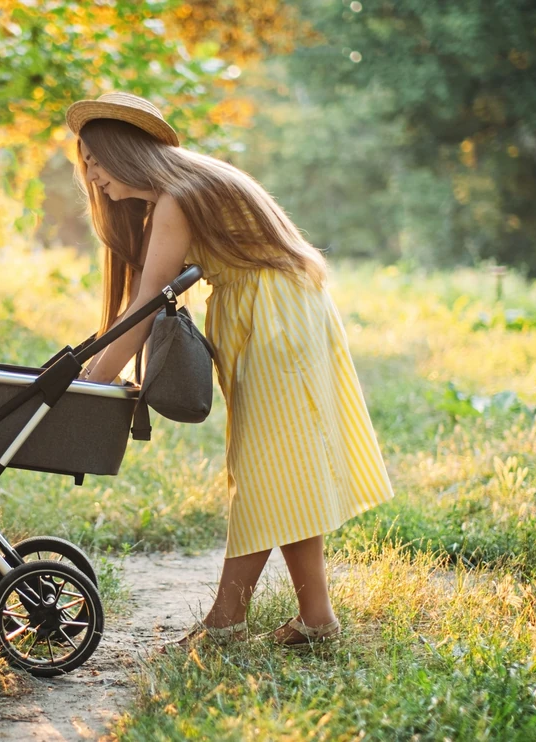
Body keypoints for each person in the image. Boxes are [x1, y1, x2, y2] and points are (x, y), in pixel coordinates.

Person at [65, 92, 394, 647]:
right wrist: (93, 372)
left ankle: (226, 620)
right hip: (276, 309)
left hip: (274, 318)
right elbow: (139, 303)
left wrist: (89, 384)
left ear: (123, 154)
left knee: (266, 468)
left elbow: (144, 306)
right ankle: (316, 620)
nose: (91, 176)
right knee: (284, 469)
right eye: (86, 165)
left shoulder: (176, 199)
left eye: (95, 161)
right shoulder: (183, 189)